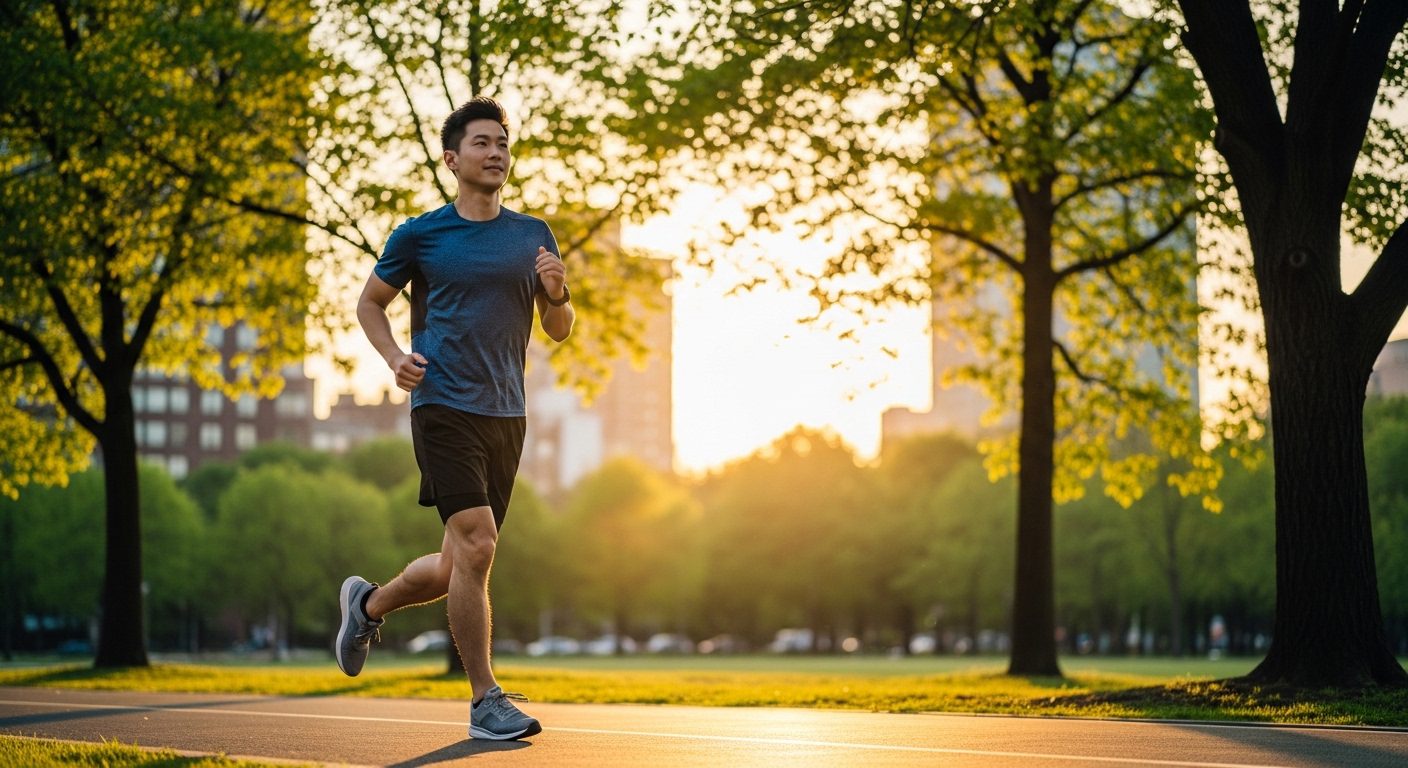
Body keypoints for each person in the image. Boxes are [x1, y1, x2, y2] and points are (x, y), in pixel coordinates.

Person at [334, 96, 574, 741]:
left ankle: (368, 603)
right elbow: (370, 303)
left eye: (503, 143)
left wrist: (557, 293)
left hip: (507, 412)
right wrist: (394, 360)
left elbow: (559, 330)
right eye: (482, 144)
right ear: (452, 159)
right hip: (442, 402)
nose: (496, 153)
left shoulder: (533, 235)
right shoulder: (420, 235)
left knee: (456, 567)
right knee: (478, 542)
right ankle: (484, 701)